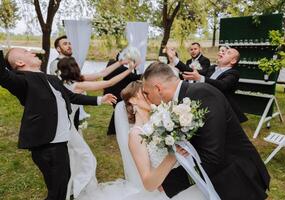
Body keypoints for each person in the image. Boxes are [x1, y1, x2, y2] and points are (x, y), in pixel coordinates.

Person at [0, 48, 116, 200]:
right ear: (20, 62)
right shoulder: (21, 80)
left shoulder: (52, 79)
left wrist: (99, 100)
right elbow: (2, 74)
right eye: (26, 52)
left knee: (63, 183)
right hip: (46, 145)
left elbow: (71, 96)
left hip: (60, 142)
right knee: (58, 190)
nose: (32, 52)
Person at [142, 62, 270, 200]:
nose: (147, 98)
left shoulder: (202, 94)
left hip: (238, 177)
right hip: (219, 178)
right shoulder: (182, 99)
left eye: (146, 93)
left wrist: (169, 183)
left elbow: (212, 155)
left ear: (158, 88)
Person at [76, 81, 206, 200]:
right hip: (166, 193)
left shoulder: (165, 121)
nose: (150, 95)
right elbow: (149, 183)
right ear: (133, 100)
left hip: (187, 180)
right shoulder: (136, 134)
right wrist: (173, 157)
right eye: (144, 93)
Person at [168, 47, 247, 123]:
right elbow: (193, 71)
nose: (222, 52)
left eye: (227, 53)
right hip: (206, 104)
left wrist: (200, 78)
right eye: (222, 51)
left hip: (220, 109)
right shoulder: (212, 68)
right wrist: (174, 59)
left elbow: (222, 85)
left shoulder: (233, 73)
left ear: (233, 61)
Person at [103, 52, 141, 135]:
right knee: (120, 110)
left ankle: (112, 131)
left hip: (110, 92)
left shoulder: (111, 64)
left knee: (117, 110)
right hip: (116, 94)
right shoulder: (121, 69)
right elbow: (135, 77)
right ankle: (113, 130)